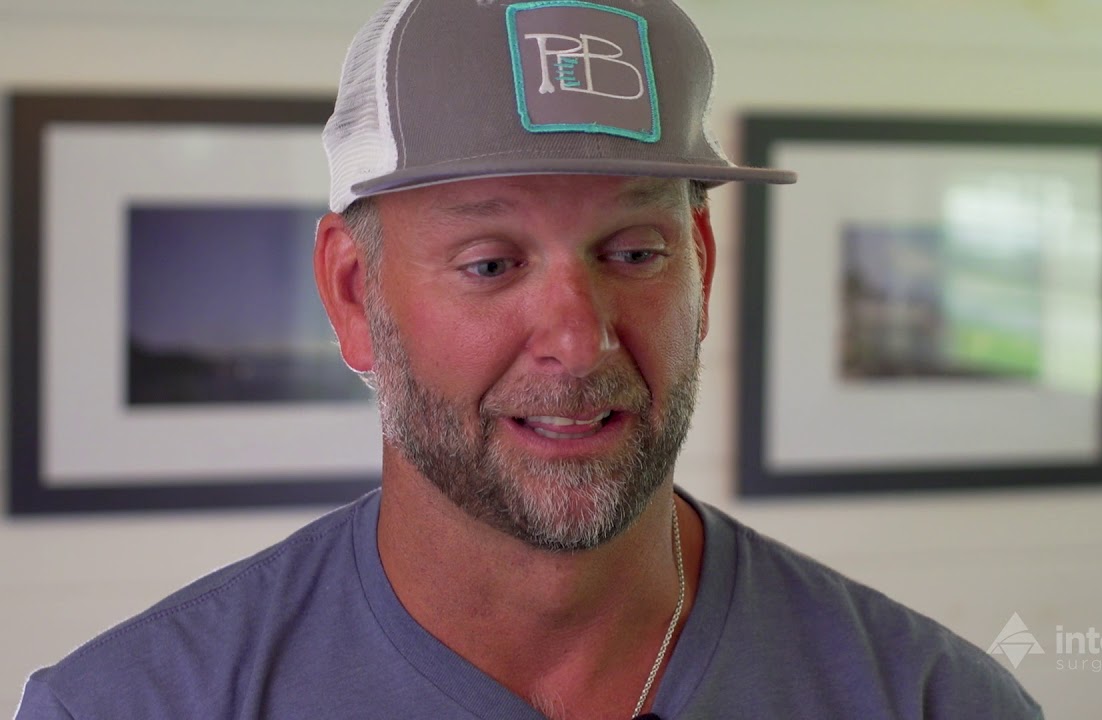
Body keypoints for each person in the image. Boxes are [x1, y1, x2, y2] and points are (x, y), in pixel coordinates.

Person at [15, 1, 1042, 718]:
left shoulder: (931, 699)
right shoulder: (132, 705)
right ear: (352, 294)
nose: (579, 339)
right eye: (490, 262)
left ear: (702, 263)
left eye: (634, 253)